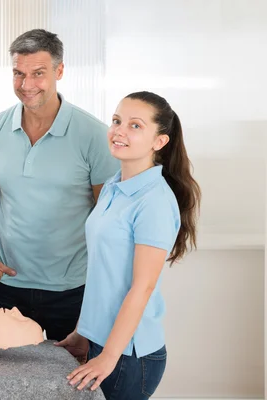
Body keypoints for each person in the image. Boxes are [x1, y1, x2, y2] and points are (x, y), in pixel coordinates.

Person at [0, 28, 119, 340]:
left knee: (72, 387)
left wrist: (102, 300)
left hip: (75, 292)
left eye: (38, 73)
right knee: (8, 388)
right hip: (7, 290)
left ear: (59, 71)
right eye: (18, 74)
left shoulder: (94, 137)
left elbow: (109, 223)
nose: (26, 85)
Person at [59, 91, 201, 399]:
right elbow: (103, 274)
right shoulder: (114, 185)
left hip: (128, 355)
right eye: (116, 121)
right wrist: (84, 333)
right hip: (102, 341)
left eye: (135, 125)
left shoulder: (154, 201)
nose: (119, 131)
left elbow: (142, 288)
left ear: (159, 142)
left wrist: (109, 357)